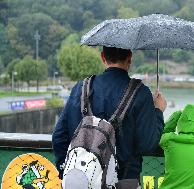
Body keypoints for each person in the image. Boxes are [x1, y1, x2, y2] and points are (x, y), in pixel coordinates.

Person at [52, 46, 167, 185]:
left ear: (102, 57)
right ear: (130, 57)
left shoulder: (81, 88)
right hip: (124, 182)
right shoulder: (141, 93)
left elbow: (59, 137)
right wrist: (158, 111)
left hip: (82, 182)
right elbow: (148, 145)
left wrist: (65, 172)